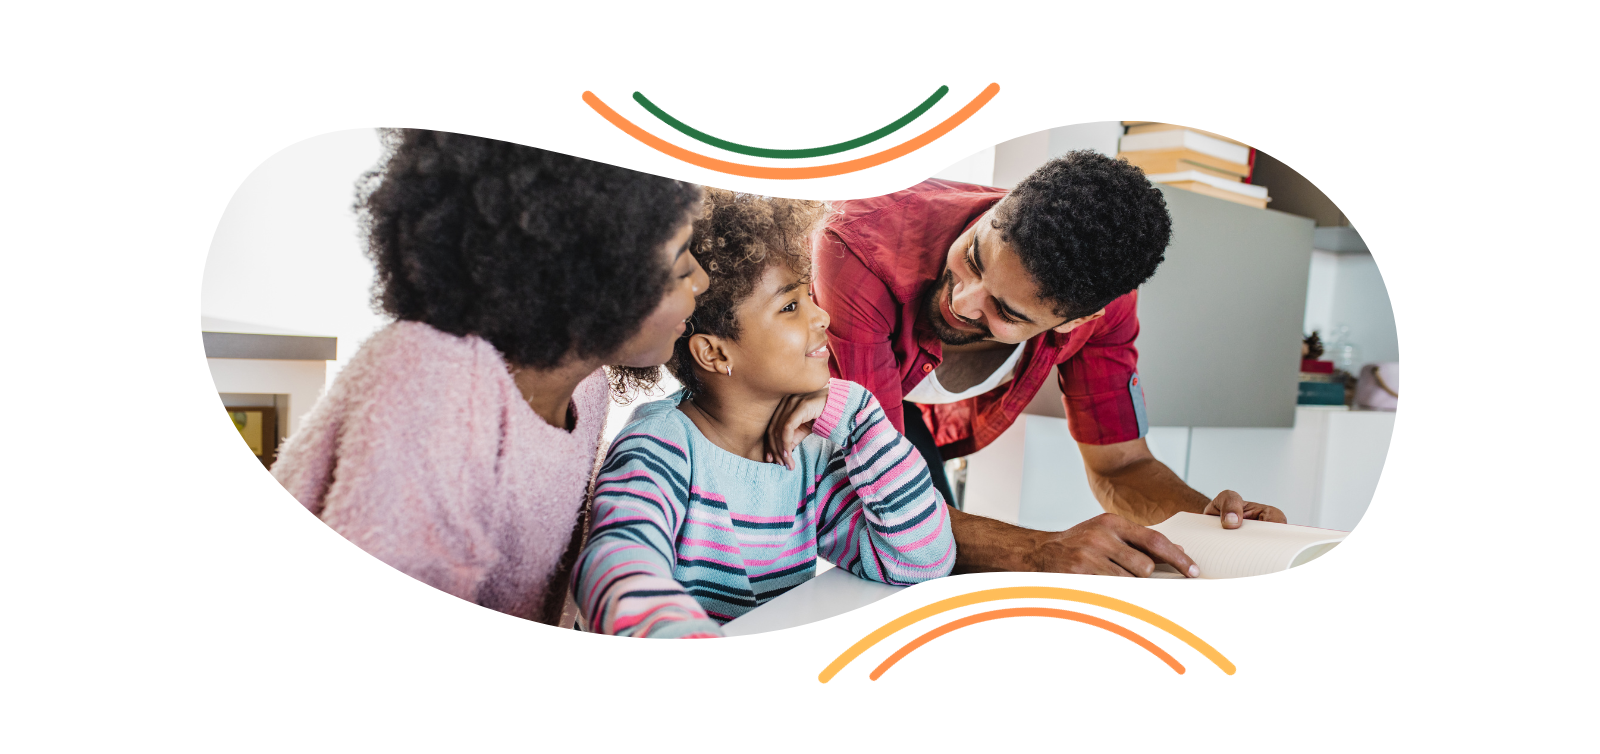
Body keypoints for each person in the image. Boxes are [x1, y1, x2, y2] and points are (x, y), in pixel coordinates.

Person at [270, 129, 710, 627]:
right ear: (588, 279)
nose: (701, 280)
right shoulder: (432, 382)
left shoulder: (588, 391)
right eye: (679, 264)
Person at [804, 151, 1286, 578]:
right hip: (767, 395)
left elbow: (1122, 466)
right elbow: (881, 495)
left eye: (1008, 311)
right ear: (1000, 208)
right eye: (974, 257)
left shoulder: (1104, 307)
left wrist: (1210, 525)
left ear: (1079, 320)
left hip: (896, 417)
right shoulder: (860, 244)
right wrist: (1038, 550)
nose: (965, 303)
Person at [573, 189, 954, 638]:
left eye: (809, 295)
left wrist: (860, 417)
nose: (823, 317)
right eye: (790, 306)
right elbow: (616, 562)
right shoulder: (659, 446)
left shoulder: (809, 453)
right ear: (714, 353)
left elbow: (922, 563)